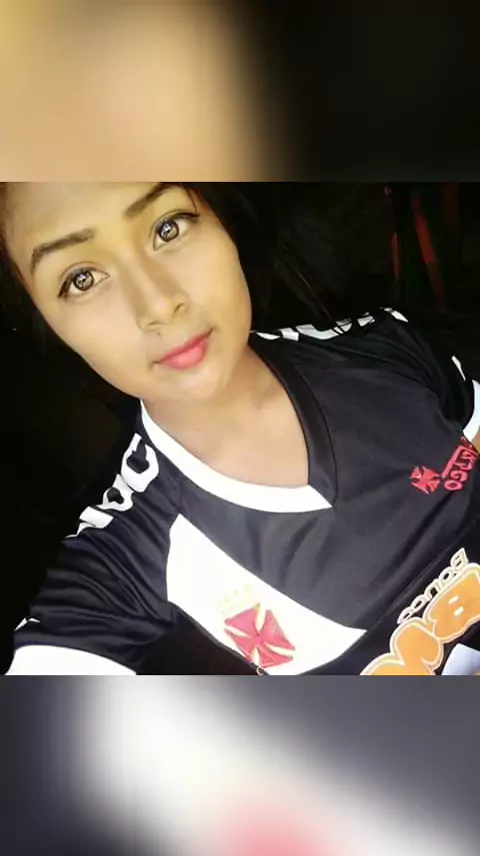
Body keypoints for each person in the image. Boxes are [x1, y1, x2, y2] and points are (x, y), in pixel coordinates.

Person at [1, 181, 480, 676]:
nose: (158, 303)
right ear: (45, 321)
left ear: (221, 220)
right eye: (81, 279)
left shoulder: (388, 348)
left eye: (168, 228)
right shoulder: (127, 552)